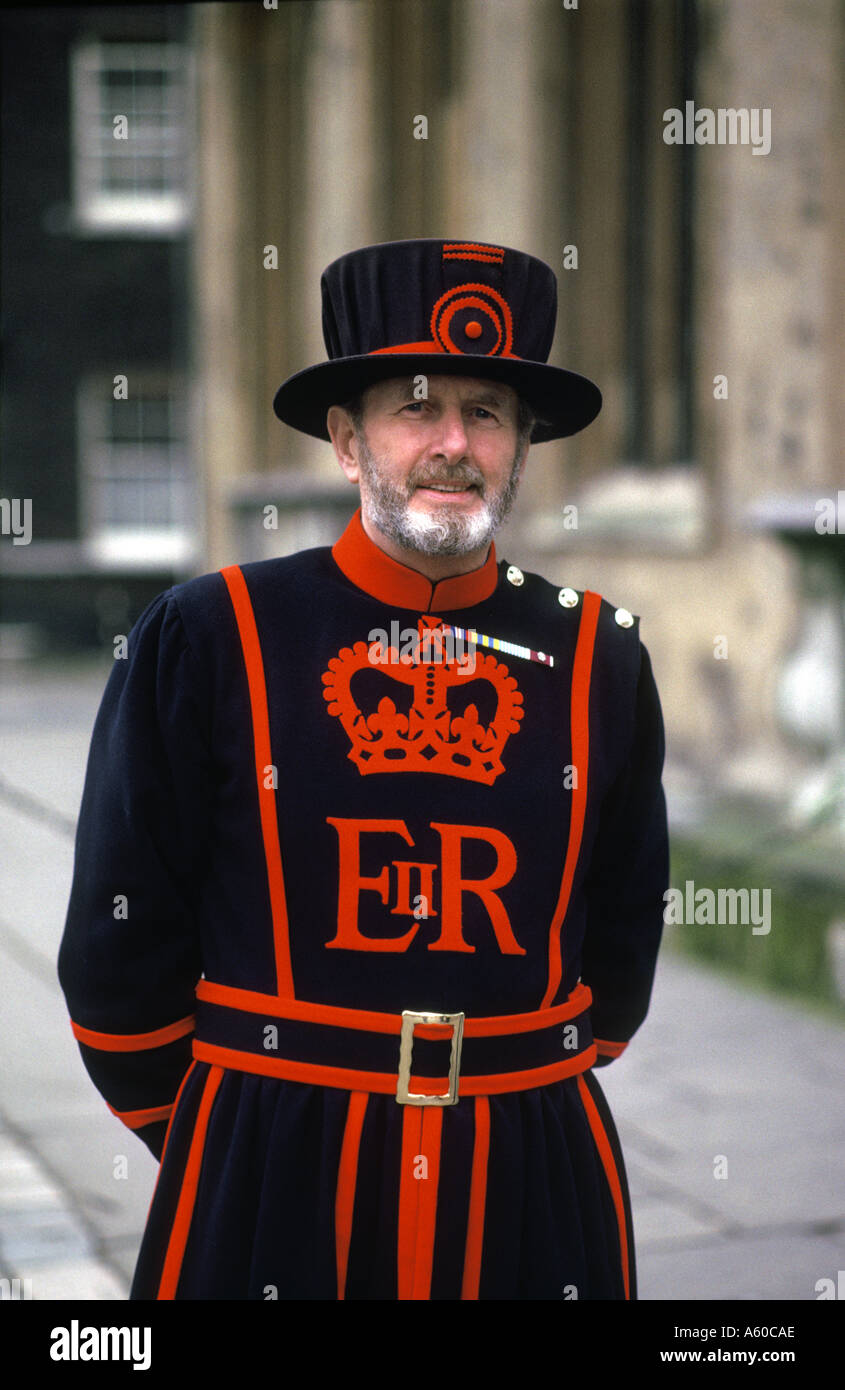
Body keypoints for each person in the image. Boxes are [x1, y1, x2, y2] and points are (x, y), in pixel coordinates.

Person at [58, 237, 669, 1300]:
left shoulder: (598, 653)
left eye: (486, 412)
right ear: (346, 439)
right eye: (416, 408)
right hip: (267, 1159)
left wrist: (512, 1083)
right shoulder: (212, 632)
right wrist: (232, 1128)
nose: (451, 443)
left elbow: (620, 942)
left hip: (531, 1167)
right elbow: (119, 950)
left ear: (520, 446)